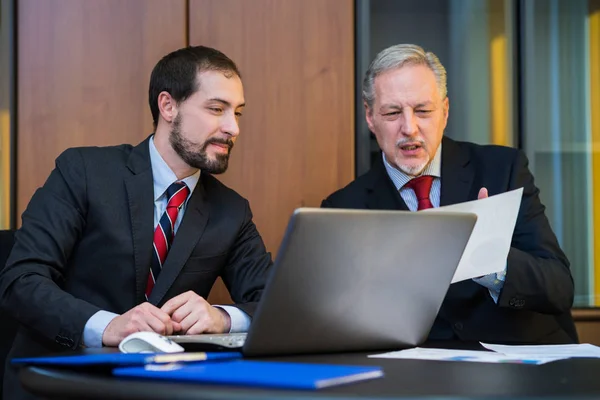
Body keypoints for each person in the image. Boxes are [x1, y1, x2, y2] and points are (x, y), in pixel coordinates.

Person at [0, 45, 272, 398]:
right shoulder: (83, 172)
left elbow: (274, 300)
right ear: (168, 106)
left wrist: (222, 318)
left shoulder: (231, 211)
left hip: (162, 390)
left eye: (237, 113)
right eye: (216, 109)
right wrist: (108, 326)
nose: (232, 127)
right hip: (55, 385)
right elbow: (21, 280)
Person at [322, 44, 576, 345]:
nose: (409, 128)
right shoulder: (344, 208)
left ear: (445, 111)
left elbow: (559, 287)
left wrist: (491, 262)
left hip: (517, 363)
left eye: (423, 111)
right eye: (392, 113)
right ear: (370, 117)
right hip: (417, 378)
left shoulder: (502, 170)